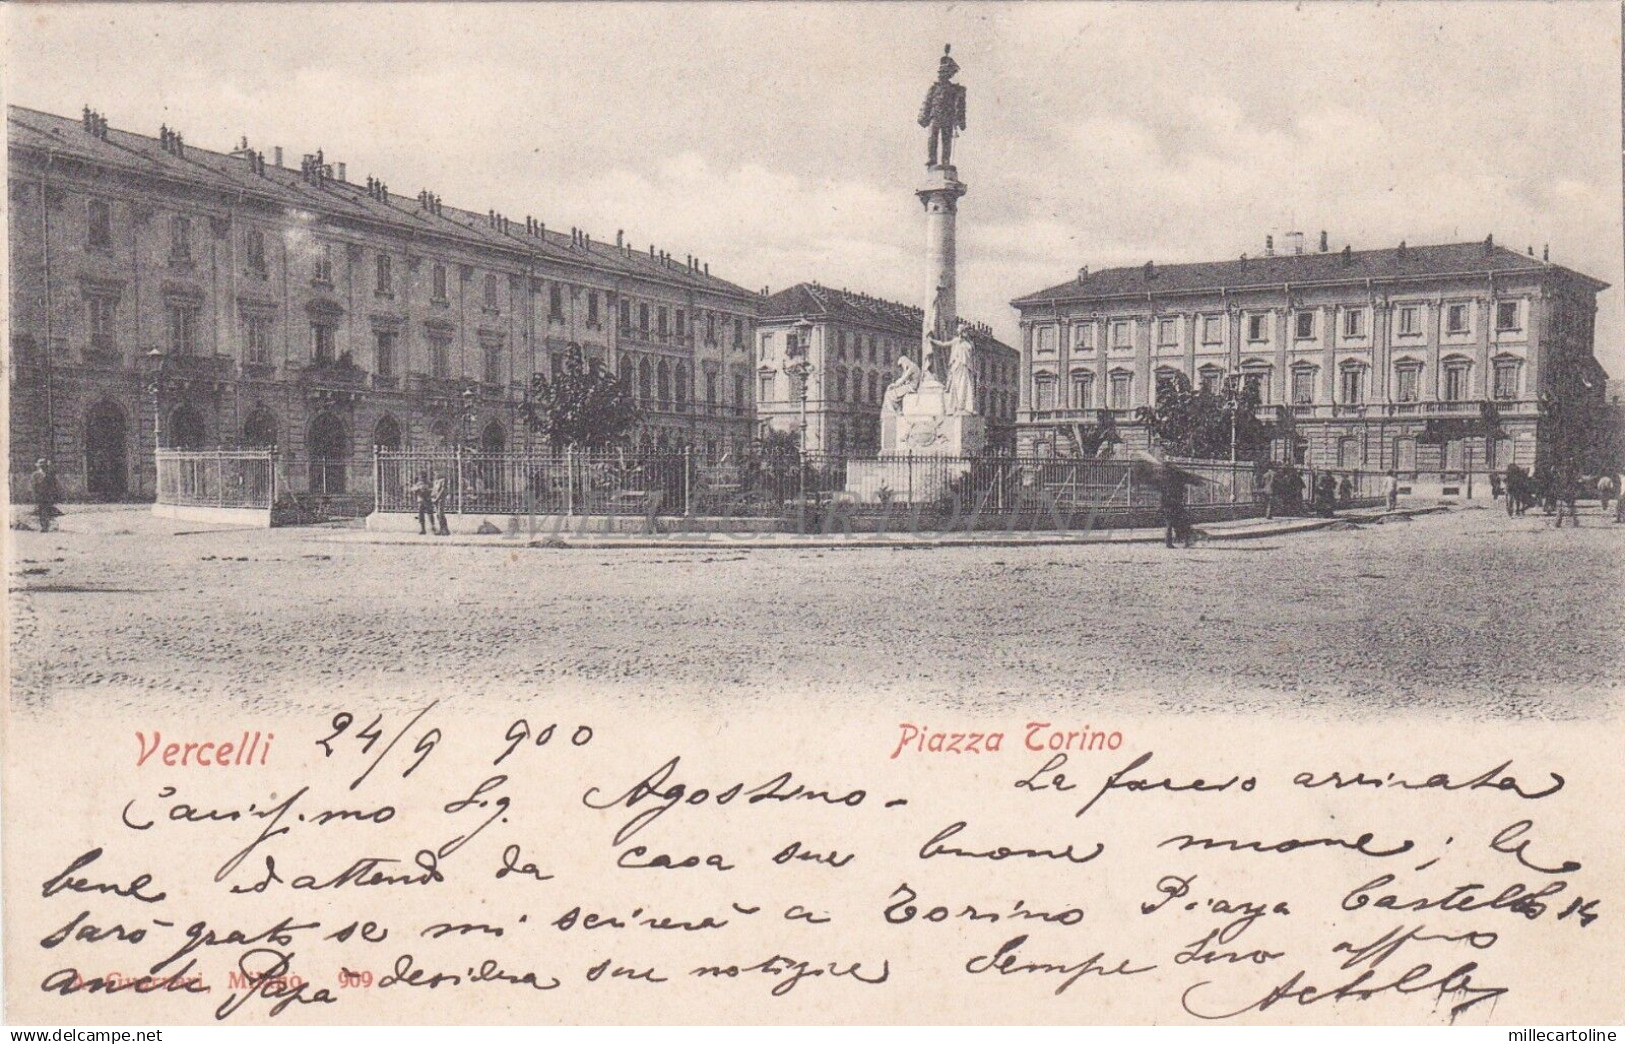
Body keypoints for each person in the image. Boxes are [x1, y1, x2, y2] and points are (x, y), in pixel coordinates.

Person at [1159, 468, 1194, 549]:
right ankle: (1181, 541)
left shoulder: (1166, 484)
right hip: (1173, 507)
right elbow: (1180, 496)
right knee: (1179, 524)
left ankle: (1171, 542)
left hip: (1169, 507)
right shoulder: (1176, 484)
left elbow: (1163, 497)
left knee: (1171, 525)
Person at [30, 458, 61, 532]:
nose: (43, 467)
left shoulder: (51, 474)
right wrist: (34, 495)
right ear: (39, 466)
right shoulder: (35, 475)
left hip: (48, 495)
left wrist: (56, 494)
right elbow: (33, 486)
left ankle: (48, 525)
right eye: (41, 465)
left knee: (48, 509)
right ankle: (43, 526)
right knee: (41, 510)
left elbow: (55, 485)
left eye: (44, 465)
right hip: (40, 495)